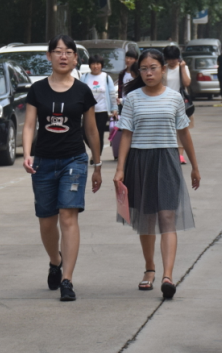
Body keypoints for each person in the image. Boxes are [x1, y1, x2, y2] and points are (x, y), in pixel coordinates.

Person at [114, 49, 200, 301]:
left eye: (153, 67)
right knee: (147, 218)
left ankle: (168, 276)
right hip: (139, 161)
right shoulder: (132, 98)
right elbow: (126, 134)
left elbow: (184, 133)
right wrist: (120, 169)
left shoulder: (174, 98)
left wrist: (195, 166)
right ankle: (150, 268)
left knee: (167, 217)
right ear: (138, 72)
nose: (149, 73)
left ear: (163, 69)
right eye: (144, 69)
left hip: (167, 160)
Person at [23, 36, 102, 303]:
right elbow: (29, 125)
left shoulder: (82, 91)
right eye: (58, 51)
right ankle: (55, 261)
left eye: (69, 52)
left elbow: (91, 129)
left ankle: (67, 279)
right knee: (47, 220)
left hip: (74, 160)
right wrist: (27, 154)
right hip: (43, 161)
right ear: (49, 57)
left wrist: (98, 163)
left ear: (76, 58)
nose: (63, 56)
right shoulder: (37, 90)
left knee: (68, 216)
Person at [162, 45, 193, 163]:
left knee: (180, 129)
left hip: (180, 103)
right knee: (167, 129)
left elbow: (187, 82)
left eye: (173, 58)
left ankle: (180, 155)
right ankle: (168, 153)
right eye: (169, 58)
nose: (171, 61)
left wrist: (183, 68)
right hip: (164, 102)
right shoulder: (163, 69)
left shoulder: (182, 67)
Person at [83, 56, 119, 148]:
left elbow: (112, 94)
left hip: (102, 111)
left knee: (99, 134)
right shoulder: (84, 77)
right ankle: (95, 151)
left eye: (98, 64)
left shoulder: (106, 77)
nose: (95, 66)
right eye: (93, 64)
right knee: (84, 134)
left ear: (101, 65)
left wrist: (114, 108)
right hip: (87, 111)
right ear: (90, 65)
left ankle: (97, 158)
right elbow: (79, 94)